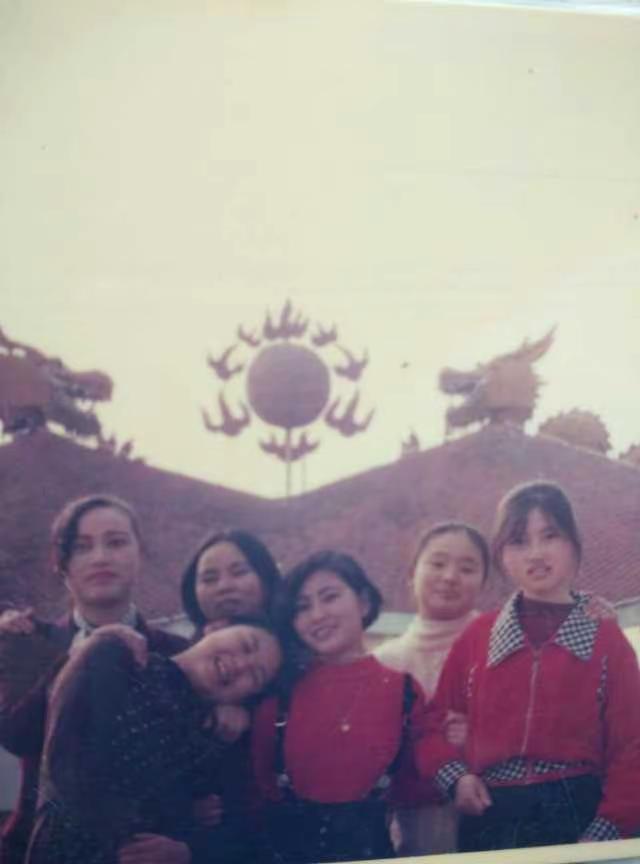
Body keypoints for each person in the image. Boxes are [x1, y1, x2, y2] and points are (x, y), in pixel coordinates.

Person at [418, 481, 640, 849]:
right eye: (518, 541)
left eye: (550, 536)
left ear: (574, 543)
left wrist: (607, 829)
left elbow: (633, 746)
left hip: (580, 815)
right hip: (490, 816)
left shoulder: (607, 641)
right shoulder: (478, 636)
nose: (535, 554)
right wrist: (455, 778)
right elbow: (431, 725)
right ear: (502, 555)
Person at [0, 495, 187, 864]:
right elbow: (17, 734)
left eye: (116, 542)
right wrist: (86, 655)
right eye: (82, 547)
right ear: (62, 564)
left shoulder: (178, 652)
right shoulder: (27, 642)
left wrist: (190, 846)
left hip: (145, 849)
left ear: (139, 554)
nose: (100, 557)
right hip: (39, 847)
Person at [25, 618, 283, 864]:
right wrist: (175, 813)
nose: (240, 665)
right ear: (215, 627)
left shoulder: (218, 741)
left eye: (255, 675)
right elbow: (66, 766)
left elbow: (233, 833)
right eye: (245, 645)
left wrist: (188, 851)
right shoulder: (115, 656)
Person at [251, 550, 431, 864]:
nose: (317, 615)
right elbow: (256, 794)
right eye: (302, 607)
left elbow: (419, 788)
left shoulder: (404, 692)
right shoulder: (278, 697)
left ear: (363, 602)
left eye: (329, 597)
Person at [374, 522, 489, 855]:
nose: (450, 577)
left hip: (495, 810)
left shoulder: (500, 645)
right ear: (412, 574)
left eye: (467, 568)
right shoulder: (384, 662)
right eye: (438, 563)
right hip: (419, 823)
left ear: (483, 582)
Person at [179, 529, 283, 858]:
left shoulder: (296, 657)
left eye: (239, 572)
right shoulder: (166, 653)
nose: (224, 585)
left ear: (265, 577)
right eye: (209, 578)